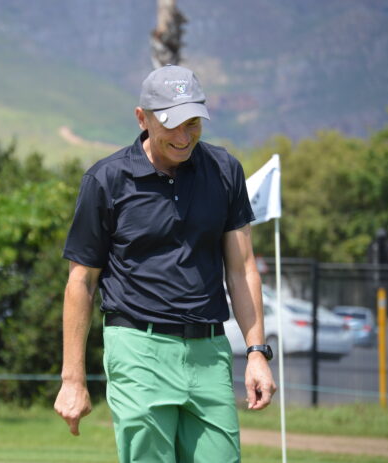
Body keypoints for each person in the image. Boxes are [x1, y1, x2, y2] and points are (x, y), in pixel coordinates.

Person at [54, 65, 276, 462]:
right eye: (172, 124)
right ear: (142, 118)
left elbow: (242, 269)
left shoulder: (225, 171)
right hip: (138, 349)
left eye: (193, 123)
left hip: (210, 351)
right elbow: (81, 282)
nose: (184, 137)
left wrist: (256, 352)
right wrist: (73, 379)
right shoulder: (106, 180)